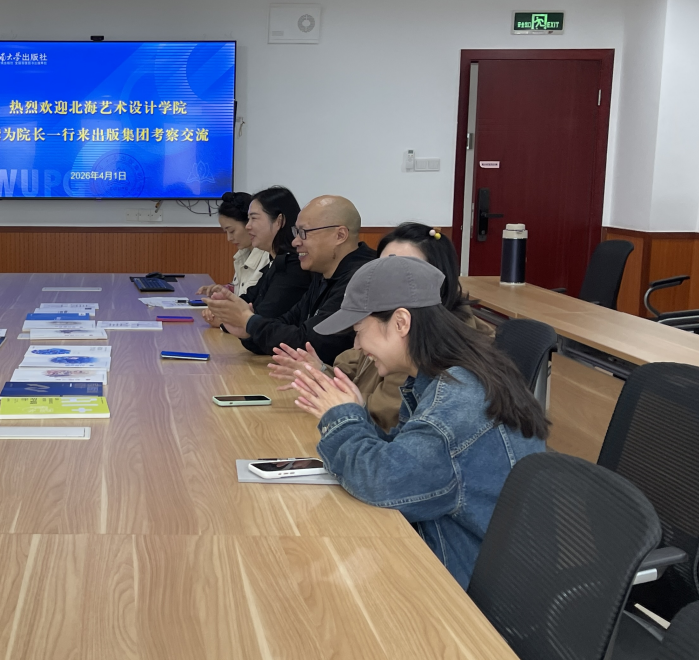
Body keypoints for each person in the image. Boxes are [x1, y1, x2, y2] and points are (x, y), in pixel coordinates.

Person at [289, 255, 549, 588]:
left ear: (401, 323)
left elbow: (385, 482)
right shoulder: (444, 377)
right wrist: (355, 411)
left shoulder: (459, 399)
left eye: (358, 331)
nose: (356, 345)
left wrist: (342, 418)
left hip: (473, 588)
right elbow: (405, 459)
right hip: (465, 557)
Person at [268, 223, 496, 429]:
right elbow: (350, 365)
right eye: (382, 265)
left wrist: (343, 409)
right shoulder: (382, 324)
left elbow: (384, 426)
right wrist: (320, 373)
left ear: (435, 276)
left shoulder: (427, 350)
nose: (385, 277)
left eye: (402, 269)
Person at [206, 195, 376, 362]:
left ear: (339, 235)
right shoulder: (323, 271)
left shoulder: (363, 278)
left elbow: (309, 343)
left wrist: (249, 322)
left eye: (304, 233)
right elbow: (288, 321)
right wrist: (248, 331)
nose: (295, 242)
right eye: (296, 232)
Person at [202, 188, 312, 324]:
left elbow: (264, 318)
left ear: (279, 221)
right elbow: (248, 299)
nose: (248, 226)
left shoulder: (293, 267)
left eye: (253, 218)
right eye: (248, 219)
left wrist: (224, 321)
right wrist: (221, 307)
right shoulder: (275, 263)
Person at [196, 191, 270, 297]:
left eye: (231, 231)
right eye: (226, 232)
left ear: (249, 224)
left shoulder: (268, 259)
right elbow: (241, 292)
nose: (229, 238)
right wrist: (225, 291)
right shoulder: (243, 254)